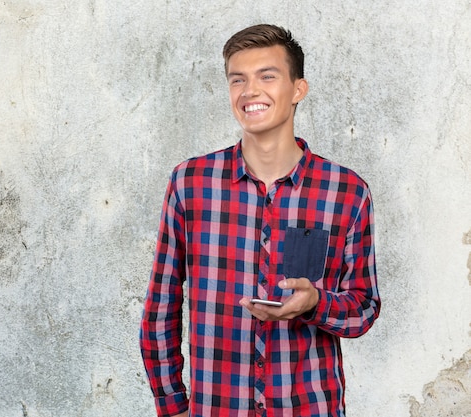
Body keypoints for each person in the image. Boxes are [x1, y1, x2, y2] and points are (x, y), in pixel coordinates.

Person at [139, 24, 381, 417]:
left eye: (267, 76)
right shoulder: (190, 183)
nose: (250, 91)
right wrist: (172, 404)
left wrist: (316, 303)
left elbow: (364, 307)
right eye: (239, 80)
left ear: (298, 89)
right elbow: (161, 304)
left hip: (309, 407)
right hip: (216, 407)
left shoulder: (347, 192)